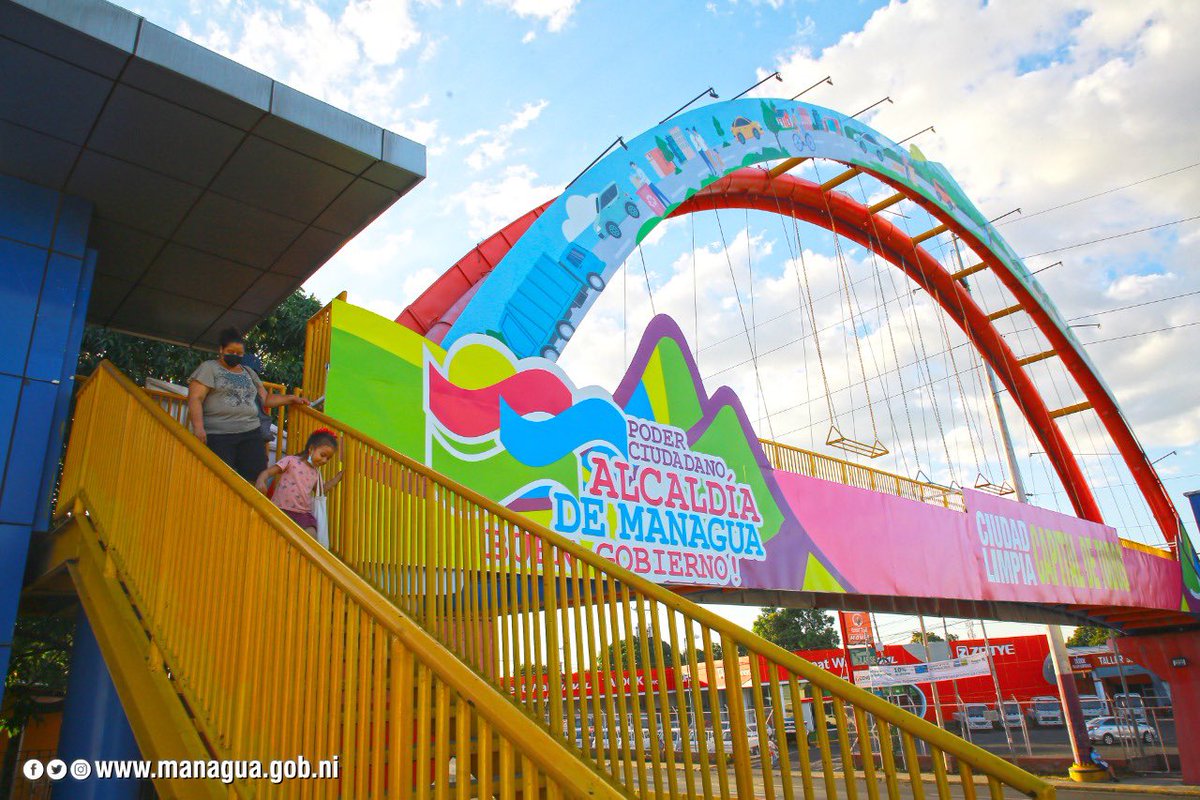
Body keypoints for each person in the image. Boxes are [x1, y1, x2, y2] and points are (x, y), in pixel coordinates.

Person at [187, 327, 307, 483]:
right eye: (231, 351)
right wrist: (198, 427)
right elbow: (195, 398)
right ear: (221, 349)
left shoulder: (248, 372)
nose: (235, 356)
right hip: (219, 434)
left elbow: (266, 399)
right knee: (221, 479)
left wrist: (291, 398)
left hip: (250, 432)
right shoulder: (209, 368)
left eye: (239, 353)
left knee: (256, 477)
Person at [256, 428, 343, 538]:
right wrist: (260, 480)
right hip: (280, 509)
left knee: (311, 535)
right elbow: (268, 472)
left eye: (328, 458)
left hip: (303, 514)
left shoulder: (316, 473)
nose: (324, 461)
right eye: (322, 455)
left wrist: (337, 479)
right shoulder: (291, 461)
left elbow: (321, 489)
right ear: (311, 449)